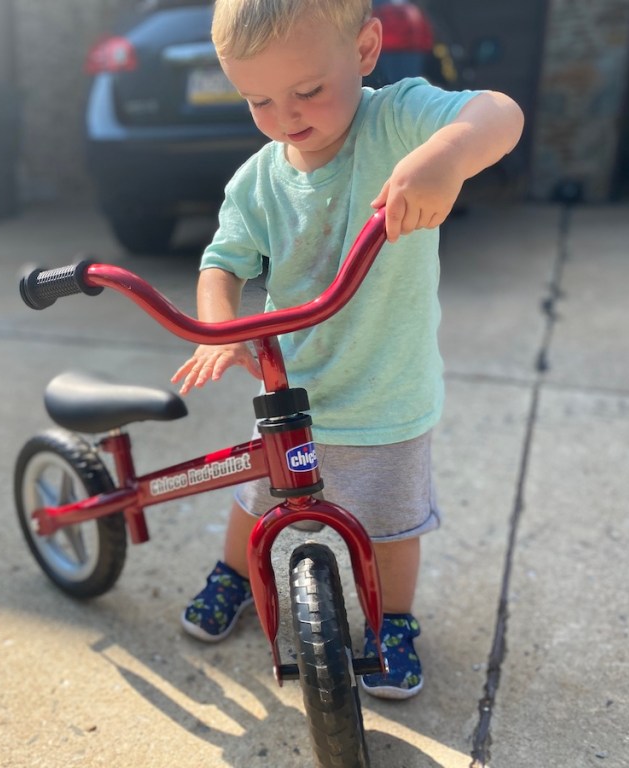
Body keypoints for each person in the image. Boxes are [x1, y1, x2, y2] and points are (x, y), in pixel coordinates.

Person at [171, 0, 524, 700]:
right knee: (256, 503)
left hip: (387, 388)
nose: (285, 116)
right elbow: (223, 260)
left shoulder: (396, 120)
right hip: (290, 389)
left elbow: (500, 115)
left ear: (365, 51)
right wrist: (221, 326)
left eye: (307, 91)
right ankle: (236, 576)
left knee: (390, 527)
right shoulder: (258, 179)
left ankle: (392, 622)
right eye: (257, 100)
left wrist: (445, 156)